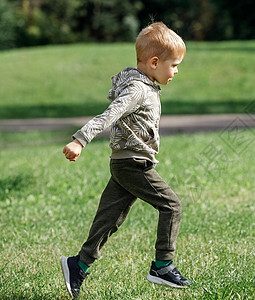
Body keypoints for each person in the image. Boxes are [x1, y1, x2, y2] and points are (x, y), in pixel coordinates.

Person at [60, 22, 191, 298]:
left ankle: (78, 264)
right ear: (155, 62)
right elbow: (109, 114)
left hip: (124, 163)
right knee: (171, 206)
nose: (176, 71)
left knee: (109, 219)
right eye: (174, 65)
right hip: (132, 165)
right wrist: (80, 139)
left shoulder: (145, 85)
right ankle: (163, 265)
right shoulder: (137, 90)